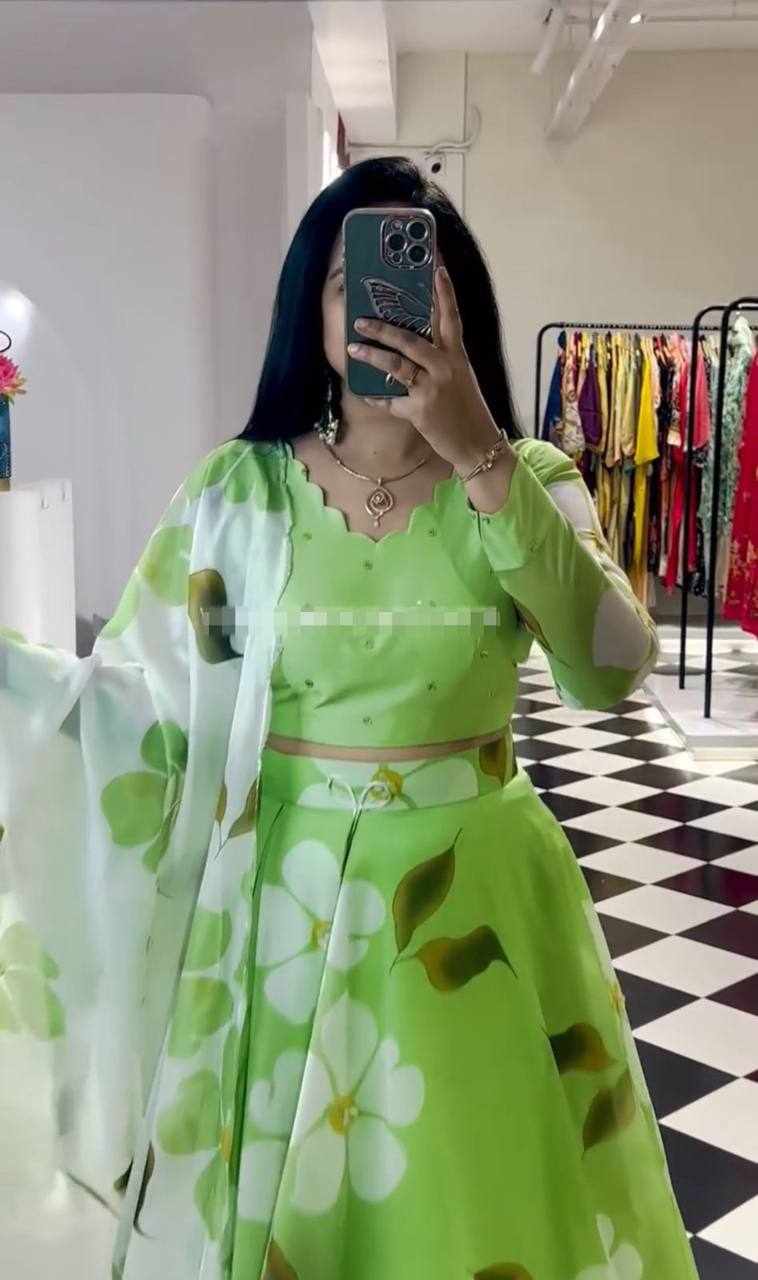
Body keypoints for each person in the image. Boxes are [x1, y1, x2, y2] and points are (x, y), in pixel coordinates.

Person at [0, 157, 698, 1280]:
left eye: (415, 281)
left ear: (457, 306)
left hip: (478, 900)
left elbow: (609, 670)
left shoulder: (527, 475)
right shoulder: (240, 492)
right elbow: (141, 708)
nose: (376, 305)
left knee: (469, 1205)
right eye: (344, 282)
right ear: (309, 313)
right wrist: (15, 684)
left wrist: (477, 452)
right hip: (279, 899)